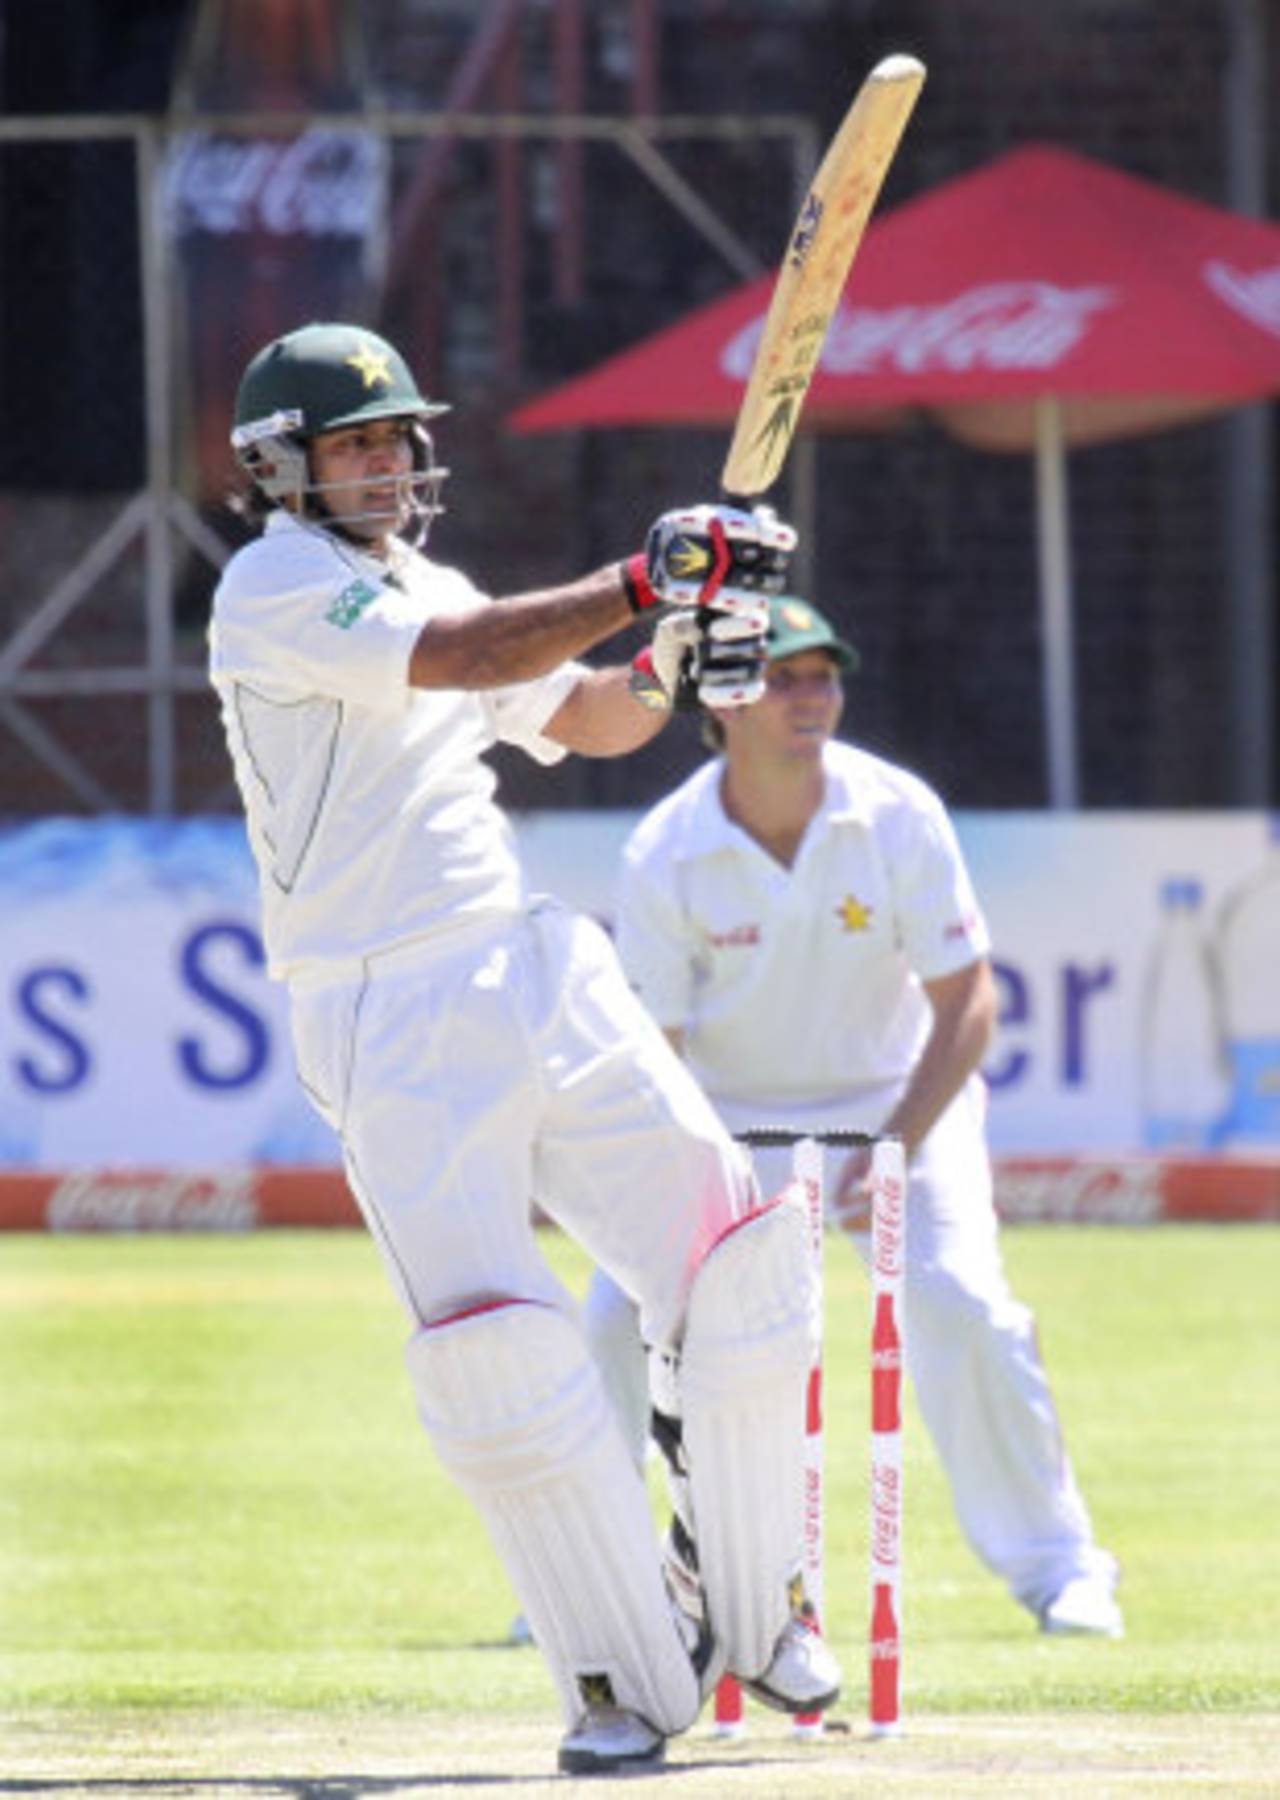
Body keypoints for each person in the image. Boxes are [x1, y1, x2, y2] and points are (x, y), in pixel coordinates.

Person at [207, 321, 842, 1777]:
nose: (381, 465)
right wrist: (642, 580)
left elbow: (590, 714)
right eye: (351, 446)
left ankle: (755, 1602)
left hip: (526, 954)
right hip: (383, 1002)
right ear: (280, 470)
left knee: (740, 1255)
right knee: (501, 1356)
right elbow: (469, 657)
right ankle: (618, 1674)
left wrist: (678, 648)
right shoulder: (274, 587)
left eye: (391, 441)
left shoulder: (428, 575)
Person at [588, 594, 1124, 1645]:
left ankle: (1061, 1571)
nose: (810, 696)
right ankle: (585, 1578)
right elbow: (661, 1056)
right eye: (783, 678)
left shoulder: (894, 813)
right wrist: (706, 1182)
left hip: (892, 1103)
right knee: (613, 1319)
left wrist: (895, 1146)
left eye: (821, 676)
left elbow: (967, 1000)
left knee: (961, 1303)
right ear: (726, 702)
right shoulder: (666, 850)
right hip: (726, 1117)